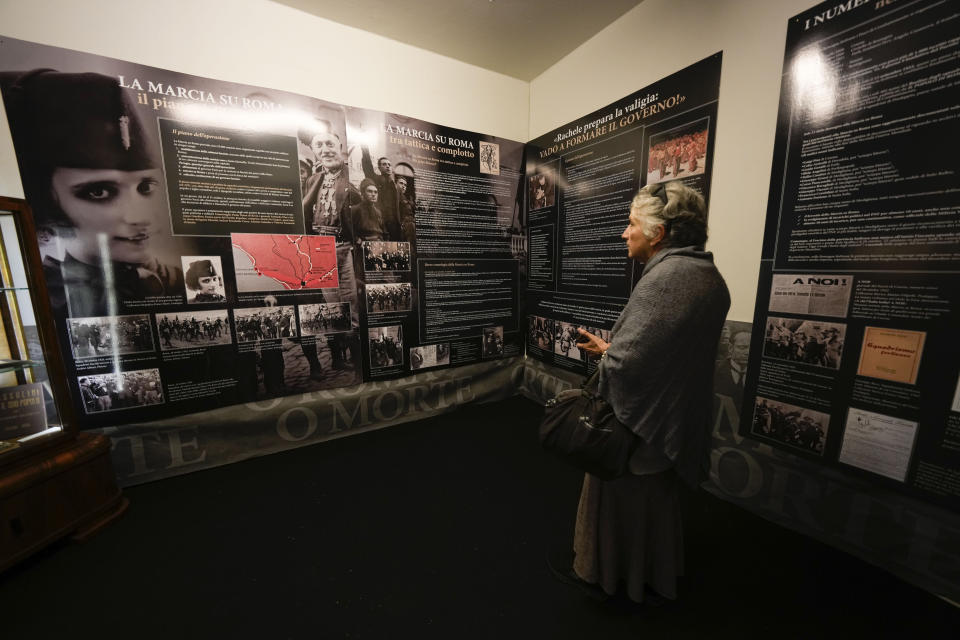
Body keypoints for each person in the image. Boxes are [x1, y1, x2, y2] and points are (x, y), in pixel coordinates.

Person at [555, 181, 730, 606]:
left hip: (639, 431)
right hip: (671, 421)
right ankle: (652, 573)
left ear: (659, 233)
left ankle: (611, 575)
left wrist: (608, 360)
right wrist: (611, 348)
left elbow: (630, 367)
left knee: (623, 506)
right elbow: (665, 356)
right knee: (655, 508)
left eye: (632, 224)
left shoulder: (665, 280)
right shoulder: (707, 276)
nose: (624, 233)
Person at [0, 69, 183, 318]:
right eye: (99, 191)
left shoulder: (183, 281)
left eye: (146, 187)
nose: (140, 217)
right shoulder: (39, 298)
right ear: (48, 201)